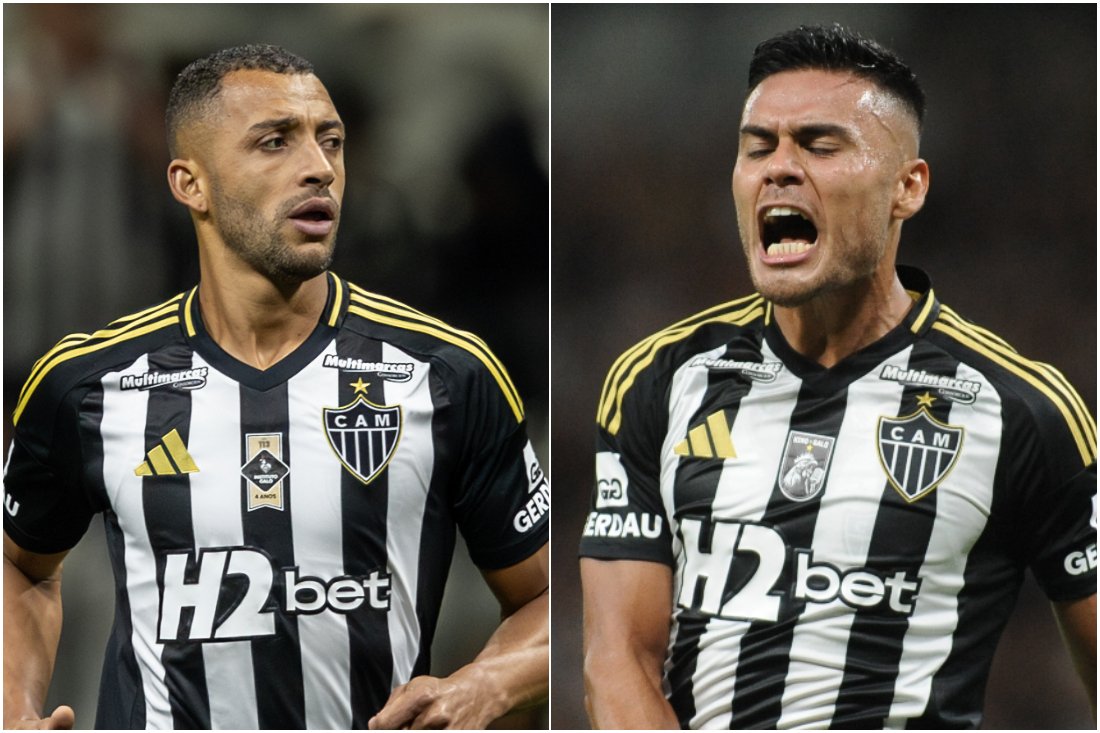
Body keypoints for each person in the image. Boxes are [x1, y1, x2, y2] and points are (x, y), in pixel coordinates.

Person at [4, 44, 549, 730]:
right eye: (275, 142)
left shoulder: (446, 374)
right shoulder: (89, 383)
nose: (319, 167)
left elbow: (551, 597)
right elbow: (18, 565)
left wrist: (488, 682)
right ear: (189, 184)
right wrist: (13, 706)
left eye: (332, 141)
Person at [579, 24, 1095, 729]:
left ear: (907, 188)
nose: (778, 169)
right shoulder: (660, 378)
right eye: (758, 146)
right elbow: (617, 659)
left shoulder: (1021, 408)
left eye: (820, 146)